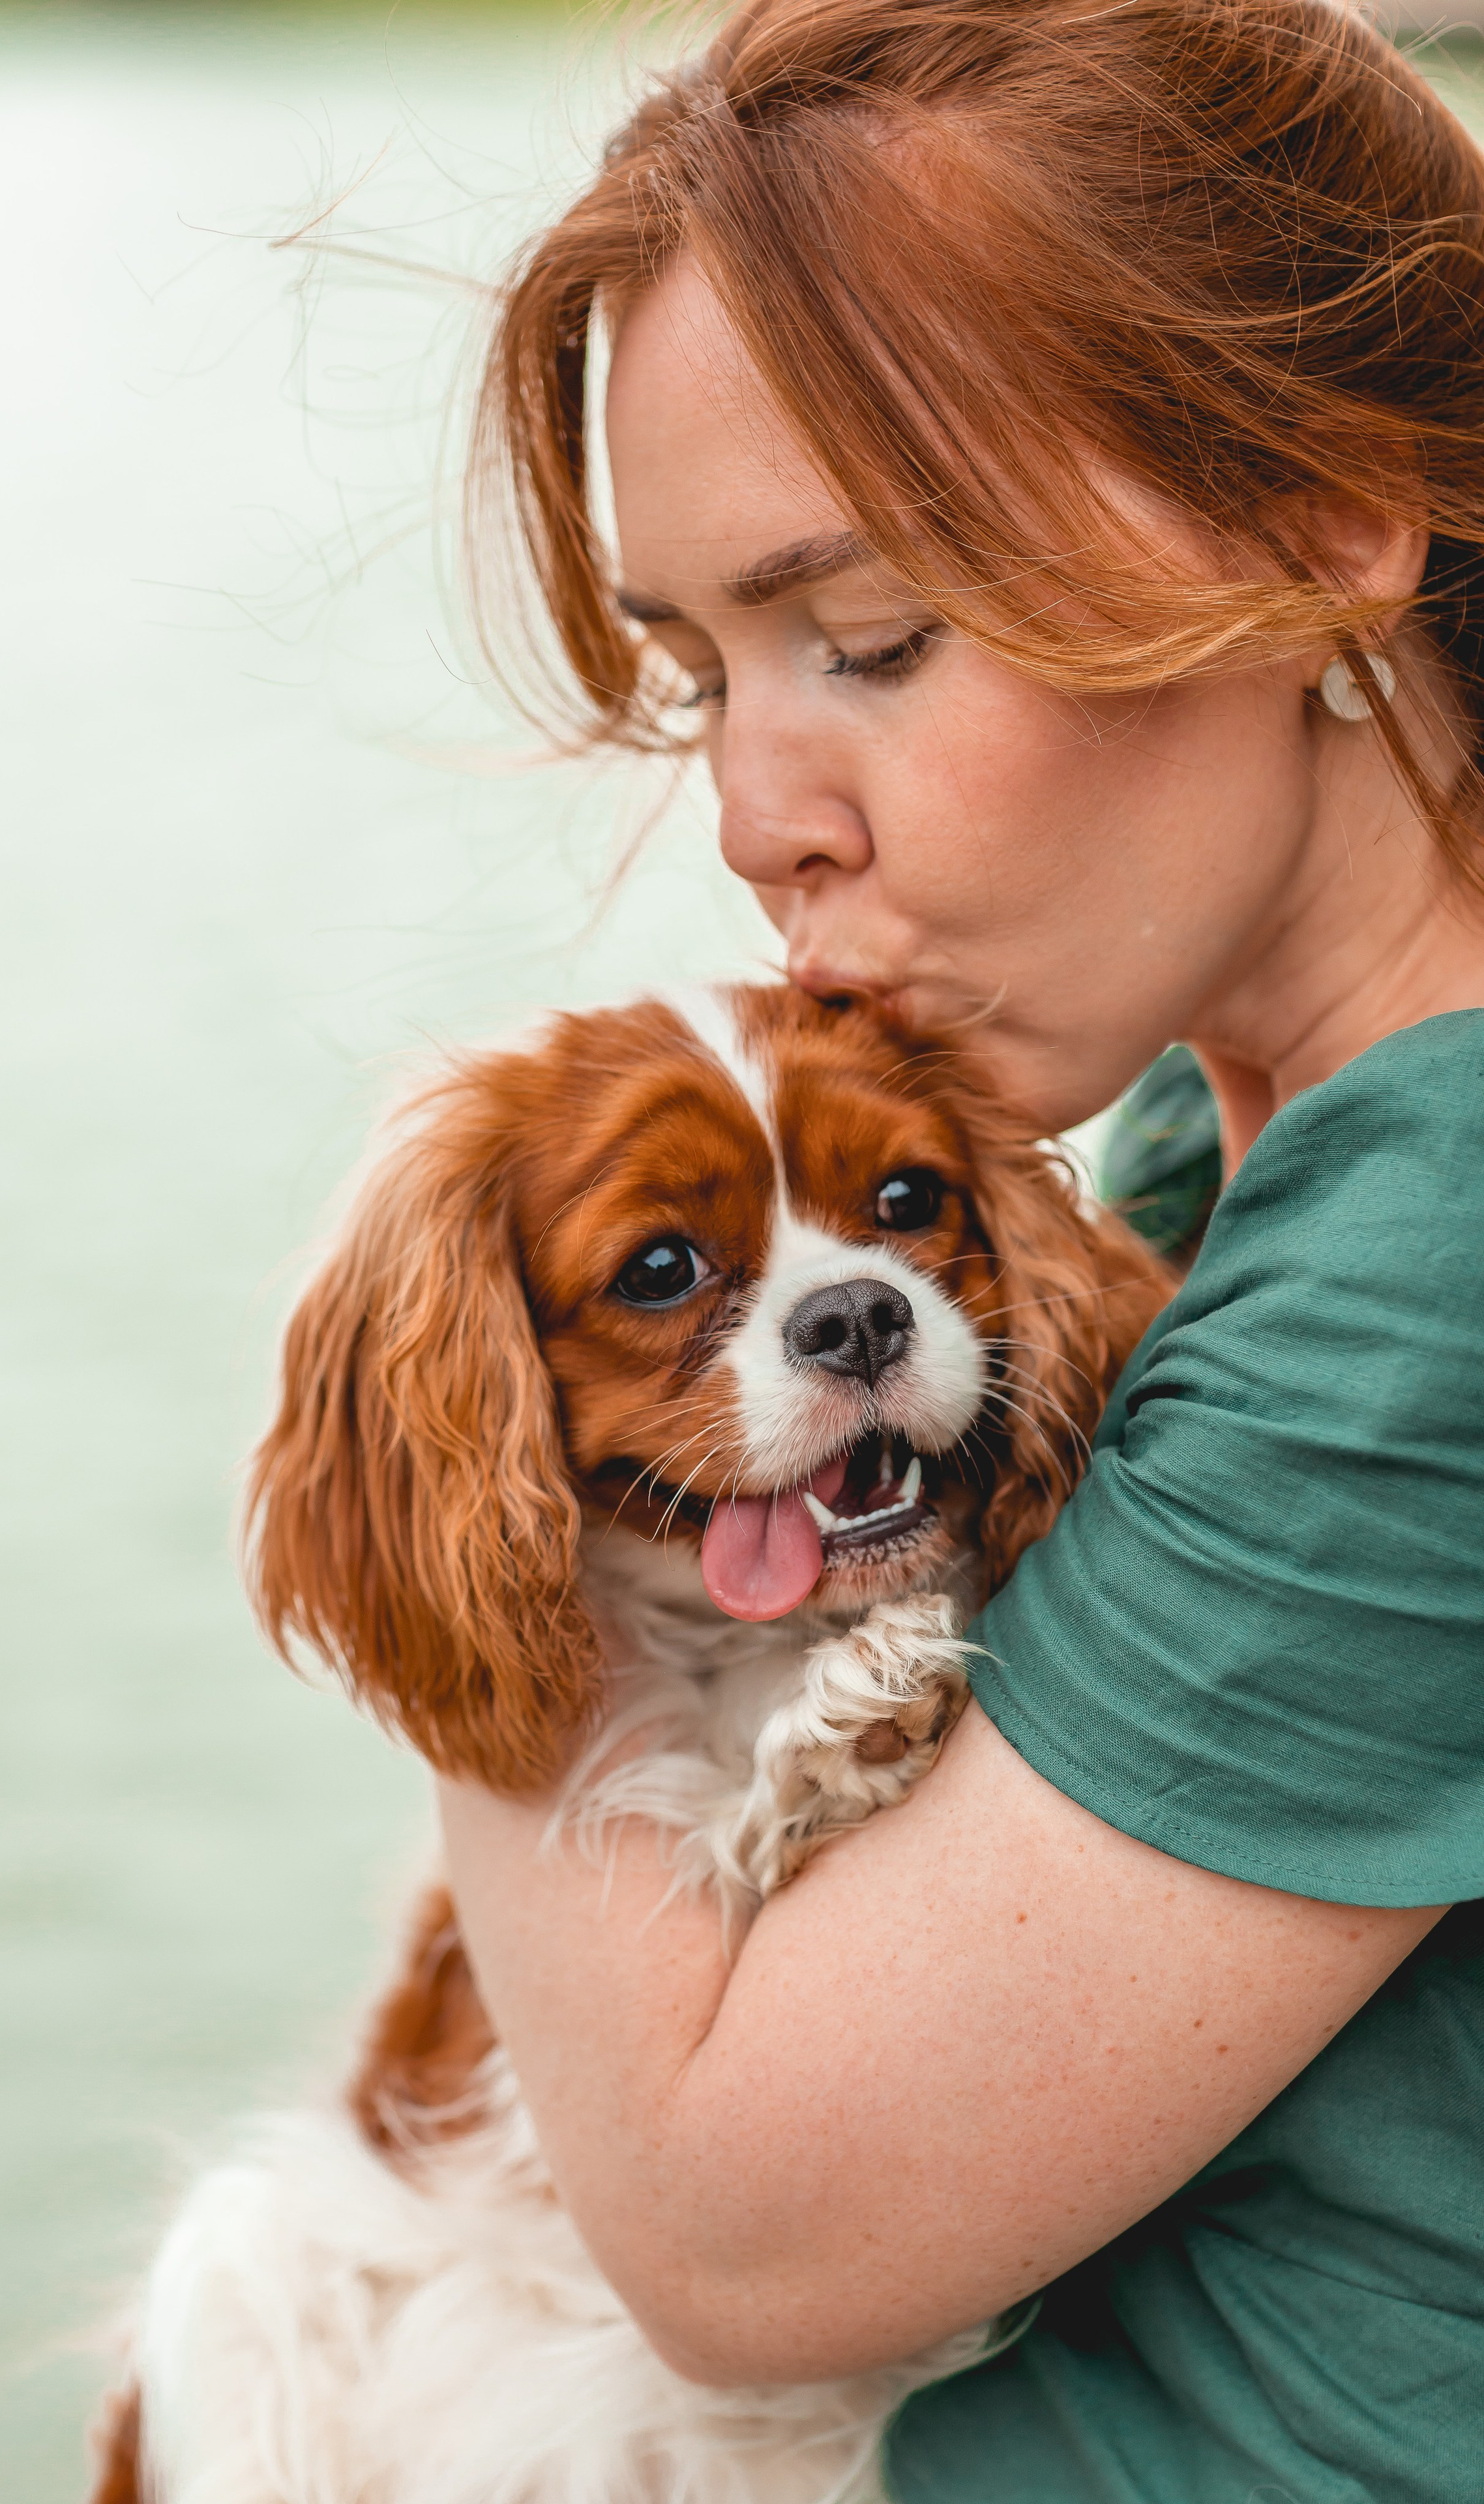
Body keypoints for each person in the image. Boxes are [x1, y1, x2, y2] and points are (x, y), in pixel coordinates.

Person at [439, 3, 1484, 2494]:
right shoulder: (1179, 1172)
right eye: (702, 674)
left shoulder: (1434, 1264)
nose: (752, 816)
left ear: (1329, 518)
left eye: (873, 640)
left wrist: (481, 1387)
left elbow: (740, 2234)